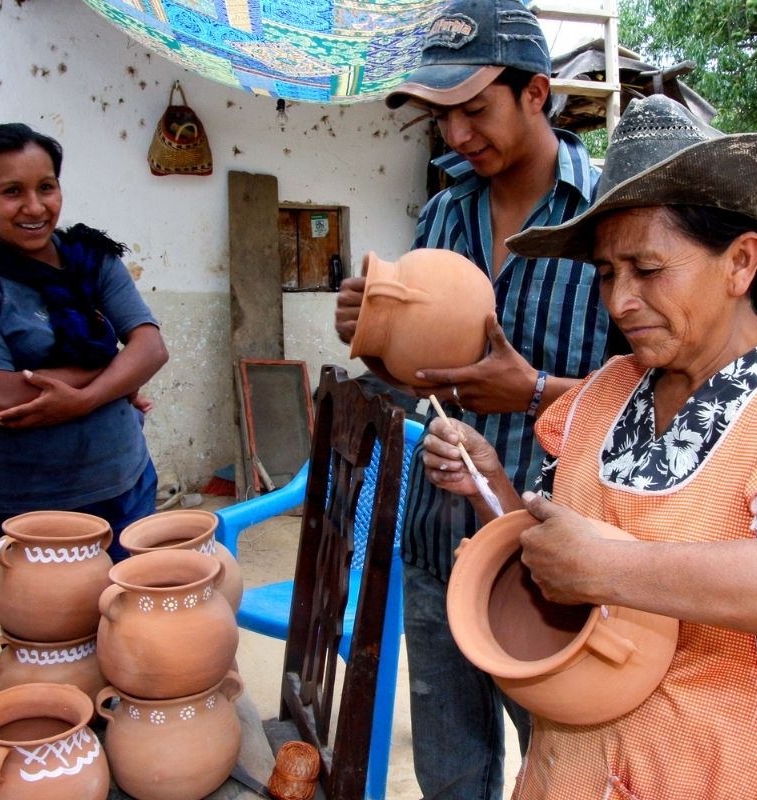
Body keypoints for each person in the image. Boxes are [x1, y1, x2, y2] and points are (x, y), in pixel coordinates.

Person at [422, 94, 757, 798]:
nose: (620, 301)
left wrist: (614, 568)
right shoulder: (604, 396)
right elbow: (556, 561)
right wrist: (490, 487)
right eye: (607, 273)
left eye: (647, 269)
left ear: (740, 263)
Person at [334, 1, 610, 796]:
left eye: (475, 109)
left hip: (551, 562)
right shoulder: (443, 212)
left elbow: (660, 400)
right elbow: (419, 380)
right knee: (451, 779)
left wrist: (533, 392)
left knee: (562, 773)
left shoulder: (609, 215)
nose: (456, 134)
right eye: (440, 116)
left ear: (536, 92)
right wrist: (372, 333)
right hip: (437, 546)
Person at [0, 123, 169, 575]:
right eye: (12, 192)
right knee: (49, 619)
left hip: (126, 482)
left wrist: (83, 398)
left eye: (46, 187)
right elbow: (3, 399)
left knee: (130, 613)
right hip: (29, 507)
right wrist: (113, 368)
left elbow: (152, 348)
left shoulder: (91, 258)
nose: (35, 207)